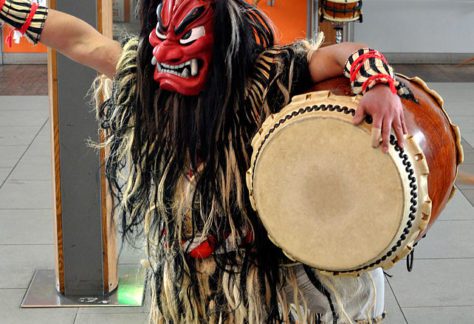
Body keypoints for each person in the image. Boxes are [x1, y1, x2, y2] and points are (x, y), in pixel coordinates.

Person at [0, 0, 412, 322]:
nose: (167, 50)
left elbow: (346, 52)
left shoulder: (263, 78)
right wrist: (11, 9)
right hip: (183, 275)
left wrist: (377, 83)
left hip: (257, 273)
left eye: (185, 34)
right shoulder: (144, 75)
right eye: (161, 34)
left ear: (224, 41)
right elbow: (80, 41)